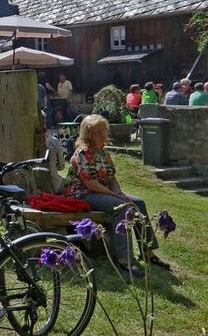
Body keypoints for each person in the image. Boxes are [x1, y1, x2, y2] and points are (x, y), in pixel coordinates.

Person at [63, 114, 168, 277]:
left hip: (102, 191)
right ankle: (124, 258)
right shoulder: (82, 153)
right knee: (123, 208)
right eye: (99, 132)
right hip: (82, 194)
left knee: (138, 203)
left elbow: (111, 176)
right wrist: (116, 196)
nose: (104, 135)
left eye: (105, 131)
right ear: (89, 134)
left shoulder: (102, 152)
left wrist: (119, 193)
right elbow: (90, 183)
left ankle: (147, 251)